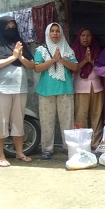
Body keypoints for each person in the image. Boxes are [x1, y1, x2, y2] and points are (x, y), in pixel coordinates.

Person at [0, 16, 35, 166]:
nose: (11, 29)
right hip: (1, 89)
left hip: (20, 88)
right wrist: (13, 57)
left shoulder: (19, 42)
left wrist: (20, 57)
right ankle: (0, 156)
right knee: (1, 122)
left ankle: (19, 153)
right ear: (1, 28)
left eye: (13, 26)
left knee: (18, 121)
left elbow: (31, 65)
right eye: (7, 27)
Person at [34, 23, 78, 160]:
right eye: (52, 31)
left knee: (67, 120)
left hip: (65, 88)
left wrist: (61, 60)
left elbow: (75, 67)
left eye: (57, 31)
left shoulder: (67, 49)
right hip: (46, 90)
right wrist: (53, 60)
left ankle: (68, 147)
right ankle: (47, 148)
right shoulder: (41, 50)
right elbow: (37, 68)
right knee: (46, 121)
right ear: (48, 33)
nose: (55, 33)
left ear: (61, 33)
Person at [71, 28, 103, 149]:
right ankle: (82, 144)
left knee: (97, 115)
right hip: (80, 87)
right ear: (79, 37)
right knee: (81, 115)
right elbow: (73, 68)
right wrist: (85, 60)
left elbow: (102, 68)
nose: (86, 38)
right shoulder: (74, 51)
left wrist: (92, 61)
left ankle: (95, 143)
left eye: (88, 35)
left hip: (97, 87)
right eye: (83, 35)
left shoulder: (97, 50)